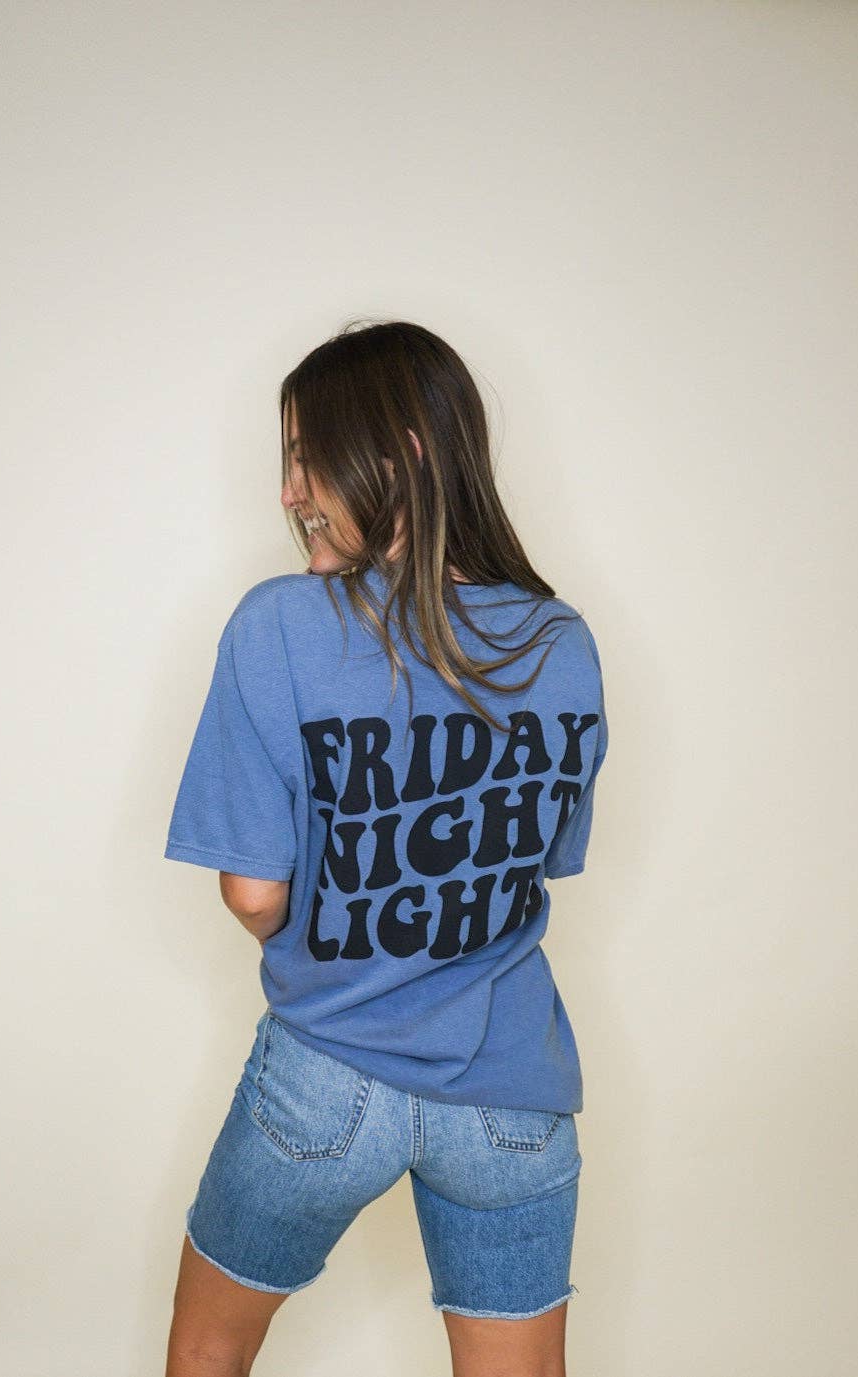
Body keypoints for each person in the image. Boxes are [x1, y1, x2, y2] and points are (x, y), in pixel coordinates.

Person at [161, 320, 609, 1377]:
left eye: (303, 458)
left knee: (209, 1352)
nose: (287, 493)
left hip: (324, 1077)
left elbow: (252, 894)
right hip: (512, 1093)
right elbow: (526, 862)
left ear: (401, 452)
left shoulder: (277, 626)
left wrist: (327, 930)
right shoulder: (561, 641)